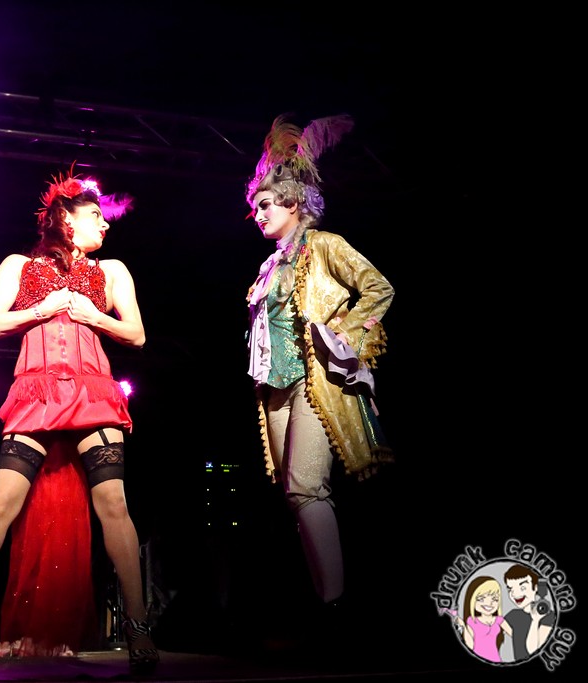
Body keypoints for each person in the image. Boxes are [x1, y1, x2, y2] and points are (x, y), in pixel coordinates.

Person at [0, 166, 159, 680]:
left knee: (115, 506)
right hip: (36, 390)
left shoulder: (113, 271)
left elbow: (137, 334)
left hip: (93, 389)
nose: (105, 223)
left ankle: (138, 628)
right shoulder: (18, 264)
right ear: (65, 218)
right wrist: (44, 308)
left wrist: (93, 316)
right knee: (0, 504)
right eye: (95, 215)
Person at [242, 114, 395, 631]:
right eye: (256, 207)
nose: (258, 214)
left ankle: (336, 607)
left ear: (293, 203)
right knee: (295, 494)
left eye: (266, 204)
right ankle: (326, 602)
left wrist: (344, 338)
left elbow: (378, 288)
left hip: (313, 381)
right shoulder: (268, 267)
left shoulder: (325, 244)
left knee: (306, 487)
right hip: (276, 387)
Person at [454, 576, 512, 662]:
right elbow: (470, 645)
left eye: (495, 599)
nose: (489, 603)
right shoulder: (472, 621)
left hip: (495, 659)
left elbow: (515, 635)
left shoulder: (499, 620)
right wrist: (462, 626)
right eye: (481, 599)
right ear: (472, 600)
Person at [503, 564, 556, 660]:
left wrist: (535, 620)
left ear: (535, 587)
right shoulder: (513, 615)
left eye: (522, 588)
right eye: (510, 589)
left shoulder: (548, 616)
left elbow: (533, 651)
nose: (515, 594)